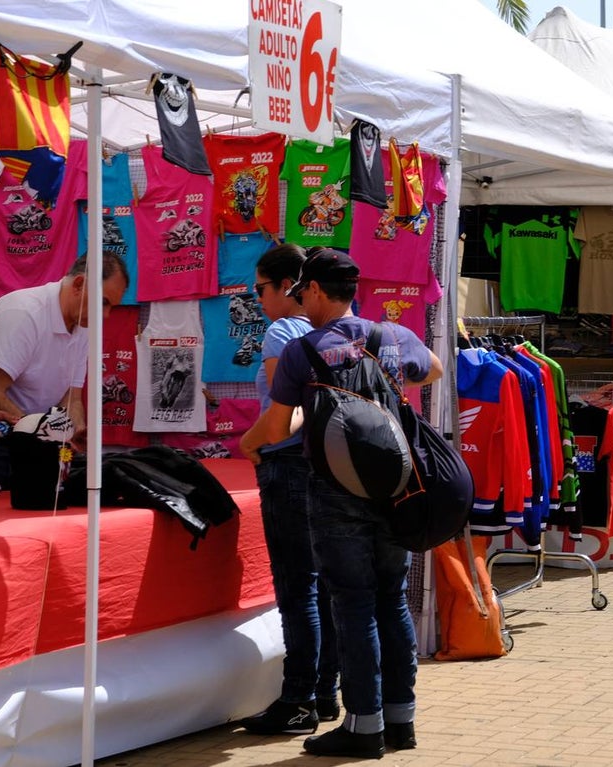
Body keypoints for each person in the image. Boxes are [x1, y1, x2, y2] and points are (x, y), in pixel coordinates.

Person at [241, 249, 442, 760]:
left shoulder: (302, 352)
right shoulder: (391, 337)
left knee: (352, 605)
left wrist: (250, 445)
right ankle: (401, 721)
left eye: (301, 293)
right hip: (394, 487)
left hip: (334, 490)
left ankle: (363, 726)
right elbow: (435, 369)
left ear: (312, 290)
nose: (300, 301)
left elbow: (279, 426)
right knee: (390, 600)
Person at [237, 244, 341, 735]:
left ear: (285, 286)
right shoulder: (334, 329)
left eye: (260, 289)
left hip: (286, 466)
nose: (258, 300)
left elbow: (285, 415)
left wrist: (250, 442)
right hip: (328, 468)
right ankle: (323, 695)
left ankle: (298, 698)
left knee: (297, 589)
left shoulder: (282, 331)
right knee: (321, 586)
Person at [0, 252, 129, 495]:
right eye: (103, 302)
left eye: (111, 306)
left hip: (28, 442)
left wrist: (77, 429)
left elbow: (70, 396)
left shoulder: (82, 324)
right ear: (79, 285)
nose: (105, 316)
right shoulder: (24, 313)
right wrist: (44, 433)